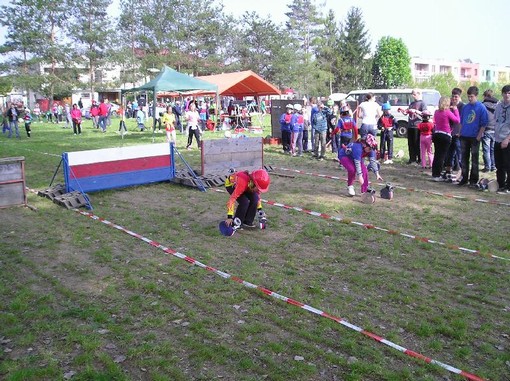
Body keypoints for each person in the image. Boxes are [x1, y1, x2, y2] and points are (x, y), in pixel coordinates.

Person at [458, 86, 488, 186]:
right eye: (468, 96)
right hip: (464, 136)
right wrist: (460, 132)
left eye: (471, 96)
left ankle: (473, 179)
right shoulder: (466, 107)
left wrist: (479, 136)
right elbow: (461, 122)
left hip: (474, 137)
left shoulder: (481, 107)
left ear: (476, 96)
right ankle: (464, 177)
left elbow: (484, 124)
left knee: (474, 159)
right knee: (464, 159)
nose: (470, 98)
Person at [431, 96, 460, 181]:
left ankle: (434, 173)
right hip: (445, 135)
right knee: (442, 156)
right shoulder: (447, 112)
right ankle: (437, 175)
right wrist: (455, 110)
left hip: (436, 134)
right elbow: (457, 120)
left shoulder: (436, 112)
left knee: (437, 155)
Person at [493, 84, 510, 194]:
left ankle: (508, 186)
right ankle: (500, 184)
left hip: (507, 139)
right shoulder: (499, 106)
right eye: (505, 93)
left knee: (507, 164)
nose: (507, 95)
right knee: (499, 165)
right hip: (498, 138)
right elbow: (496, 119)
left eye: (509, 93)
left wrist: (507, 139)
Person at [404, 89, 428, 164]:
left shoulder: (422, 103)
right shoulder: (412, 103)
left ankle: (419, 159)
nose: (413, 96)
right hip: (410, 125)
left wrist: (416, 111)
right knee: (410, 143)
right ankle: (412, 158)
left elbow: (425, 113)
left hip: (418, 126)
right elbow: (407, 112)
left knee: (417, 143)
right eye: (412, 94)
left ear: (418, 94)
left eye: (414, 94)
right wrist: (404, 111)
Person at [445, 88, 464, 175]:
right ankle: (448, 170)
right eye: (453, 97)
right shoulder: (449, 106)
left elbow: (462, 120)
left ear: (459, 97)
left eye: (456, 97)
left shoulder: (462, 106)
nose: (454, 99)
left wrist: (460, 132)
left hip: (458, 133)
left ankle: (461, 171)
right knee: (449, 153)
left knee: (459, 153)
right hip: (450, 133)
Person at [481, 89, 498, 172]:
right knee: (493, 149)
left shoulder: (483, 105)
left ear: (485, 96)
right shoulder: (498, 104)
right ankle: (493, 166)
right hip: (495, 129)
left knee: (486, 149)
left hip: (486, 128)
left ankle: (487, 166)